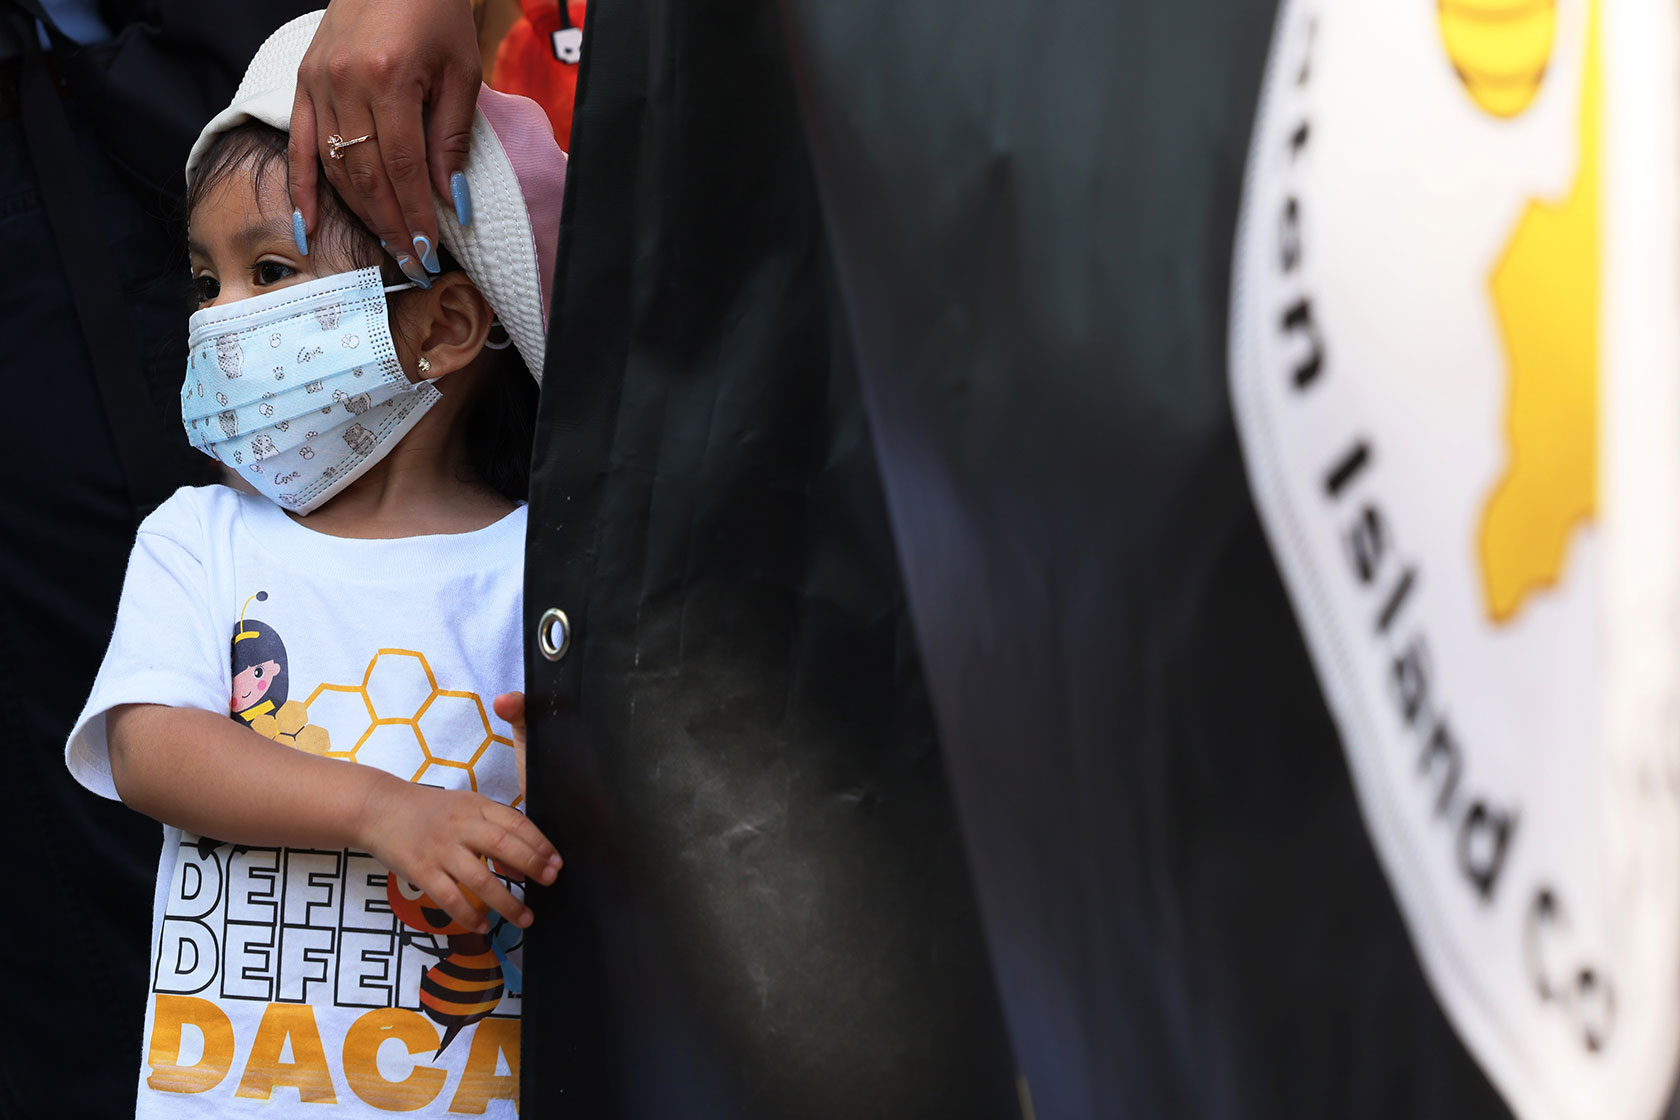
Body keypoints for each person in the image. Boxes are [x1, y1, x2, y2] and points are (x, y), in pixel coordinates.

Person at [63, 11, 567, 1115]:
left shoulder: (542, 569)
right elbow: (149, 745)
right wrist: (383, 809)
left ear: (440, 330)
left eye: (270, 270)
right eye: (206, 282)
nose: (216, 323)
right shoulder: (199, 538)